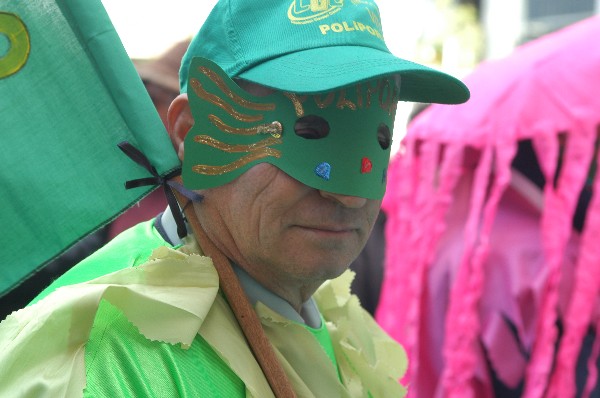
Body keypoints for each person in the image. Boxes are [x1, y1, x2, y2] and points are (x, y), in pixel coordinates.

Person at [0, 0, 469, 396]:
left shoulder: (333, 320)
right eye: (308, 131)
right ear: (191, 132)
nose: (348, 196)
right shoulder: (97, 360)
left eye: (380, 138)